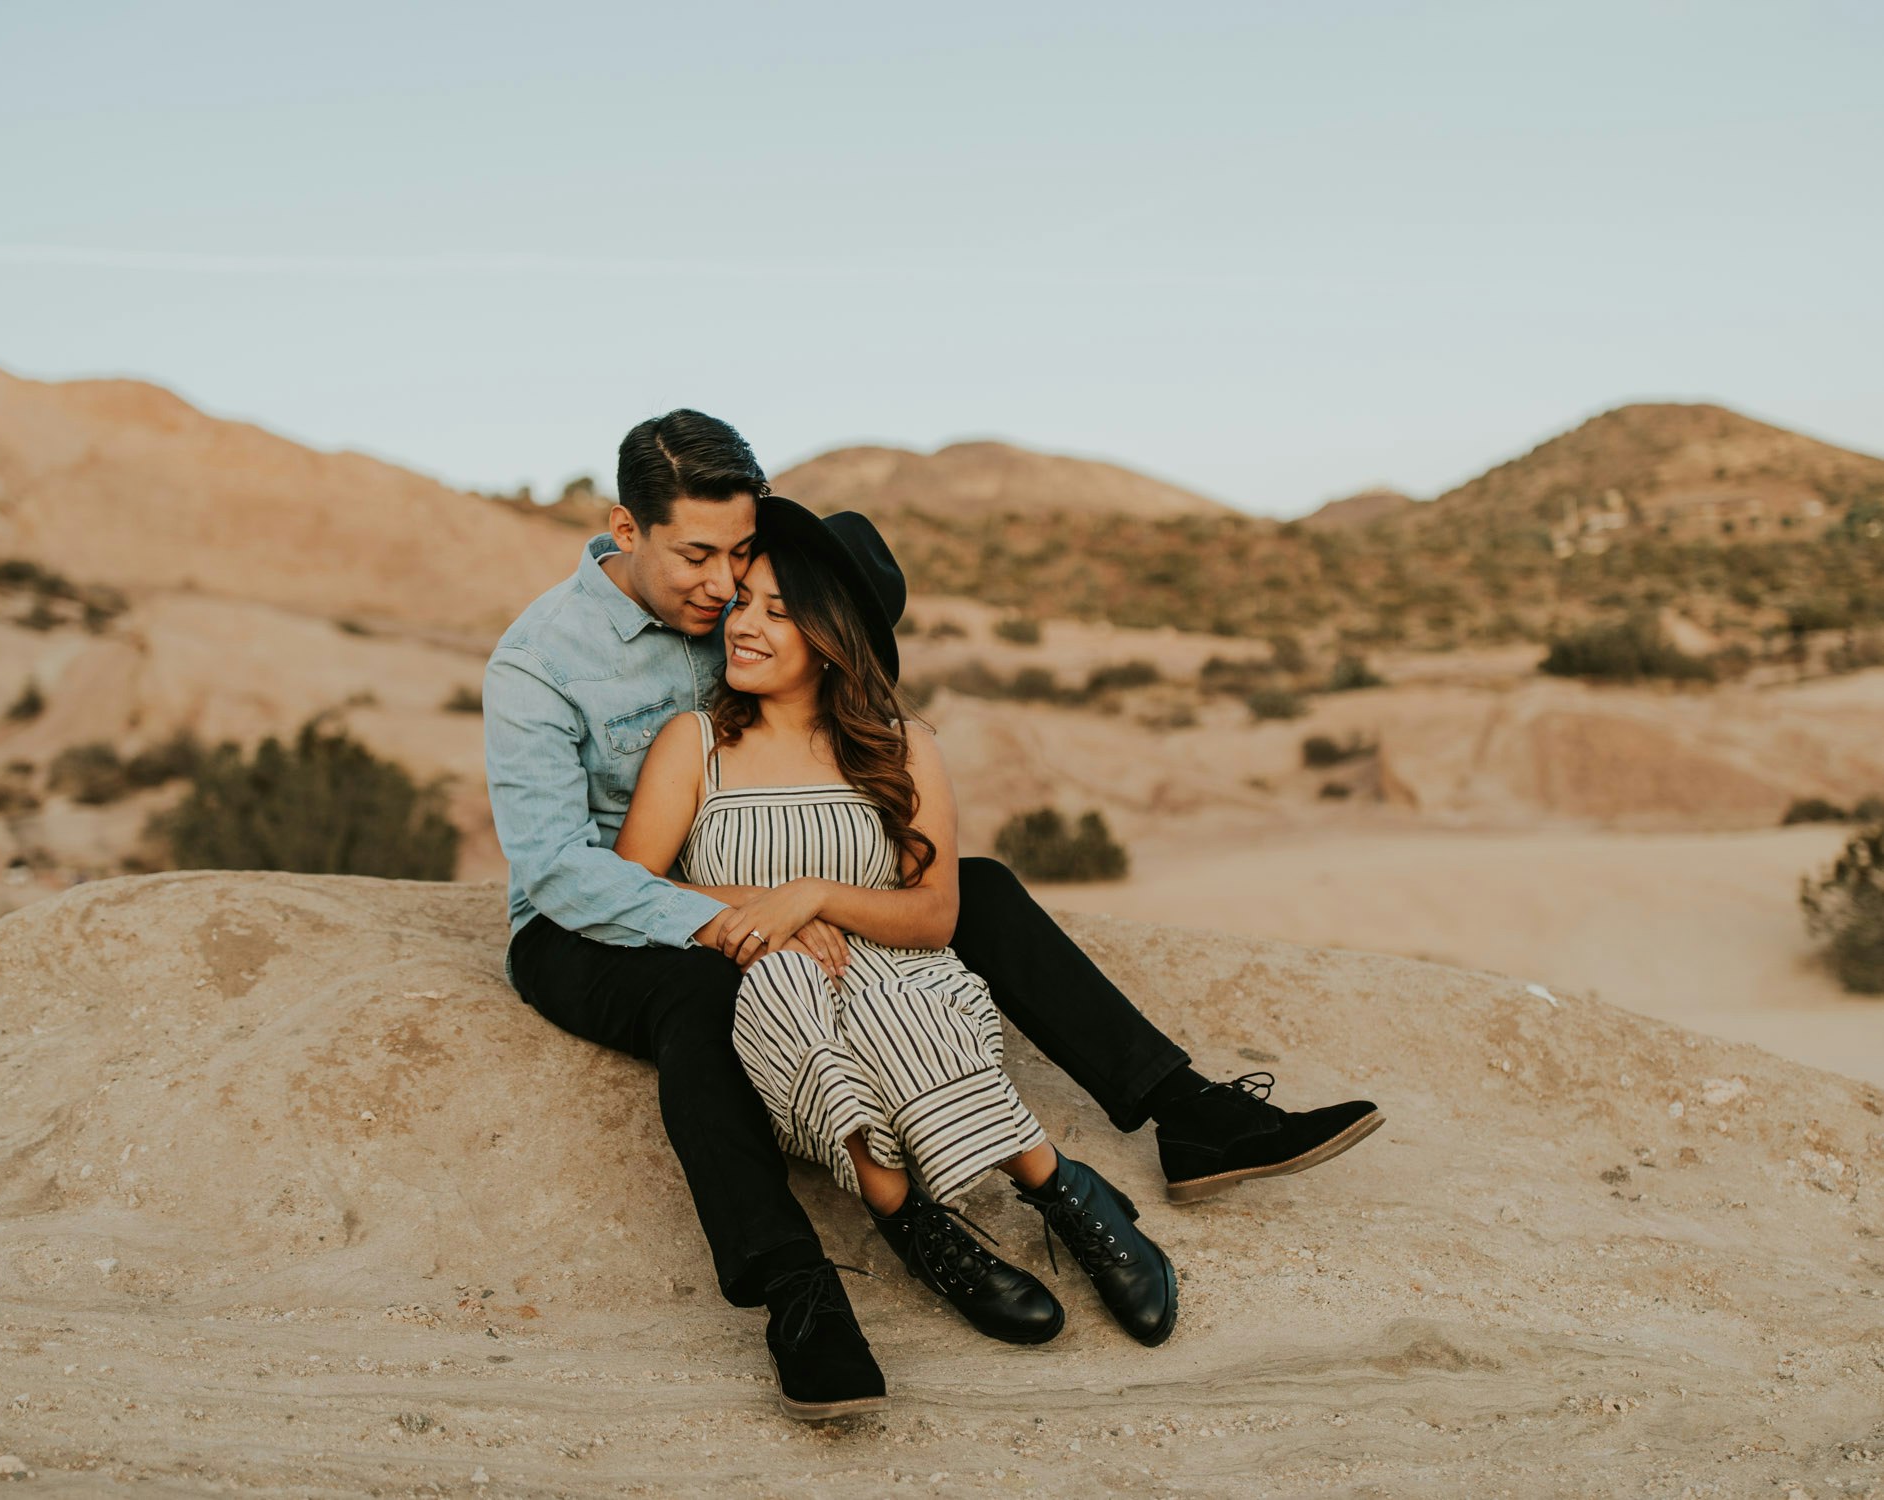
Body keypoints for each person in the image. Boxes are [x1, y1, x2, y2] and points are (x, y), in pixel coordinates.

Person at [482, 409, 1382, 1420]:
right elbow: (560, 871)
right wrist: (749, 912)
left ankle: (1190, 1116)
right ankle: (798, 1291)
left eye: (741, 554)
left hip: (743, 879)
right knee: (702, 993)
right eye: (699, 555)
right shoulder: (539, 663)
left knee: (979, 887)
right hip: (586, 923)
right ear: (626, 527)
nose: (725, 587)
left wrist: (815, 891)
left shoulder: (735, 614)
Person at [610, 495, 1184, 1381]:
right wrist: (766, 915)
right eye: (743, 602)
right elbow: (633, 886)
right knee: (783, 985)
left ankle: (1061, 1190)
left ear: (834, 639)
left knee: (899, 998)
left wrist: (814, 895)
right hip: (772, 988)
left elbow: (935, 915)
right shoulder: (695, 743)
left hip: (895, 976)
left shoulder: (904, 746)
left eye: (777, 611)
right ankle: (908, 1217)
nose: (743, 625)